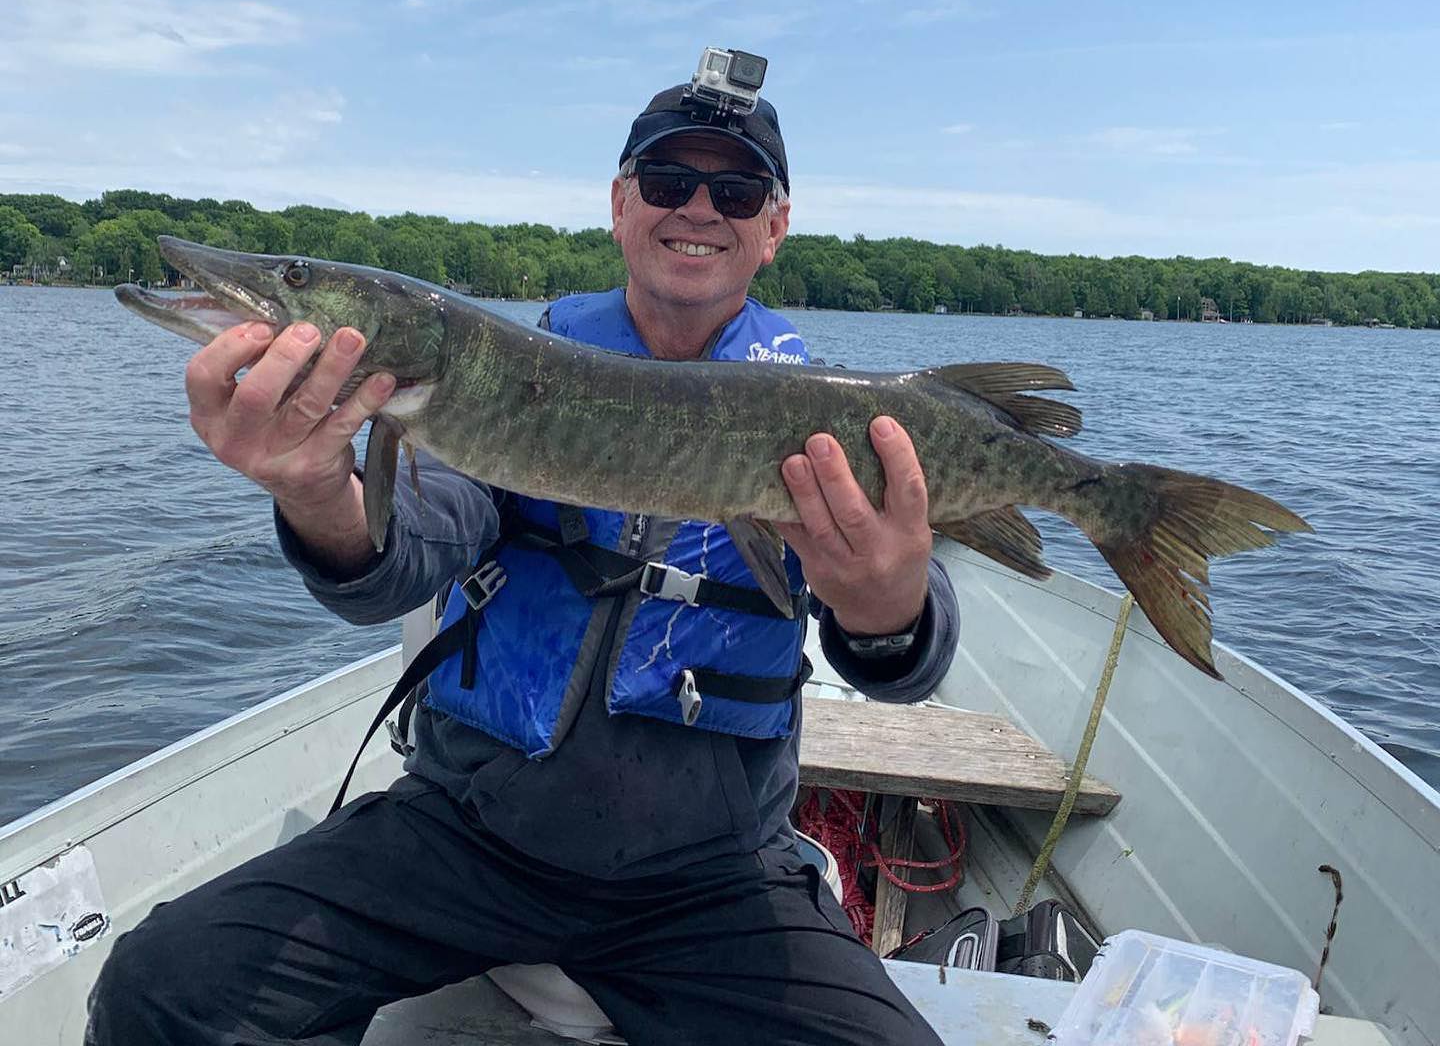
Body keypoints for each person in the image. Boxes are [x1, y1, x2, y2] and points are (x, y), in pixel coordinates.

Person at [86, 63, 959, 1046]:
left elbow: (906, 661)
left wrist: (886, 605)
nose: (699, 209)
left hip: (708, 879)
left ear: (775, 225)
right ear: (623, 203)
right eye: (669, 183)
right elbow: (401, 558)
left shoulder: (825, 415)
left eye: (737, 189)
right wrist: (314, 488)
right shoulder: (497, 377)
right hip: (465, 837)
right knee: (160, 986)